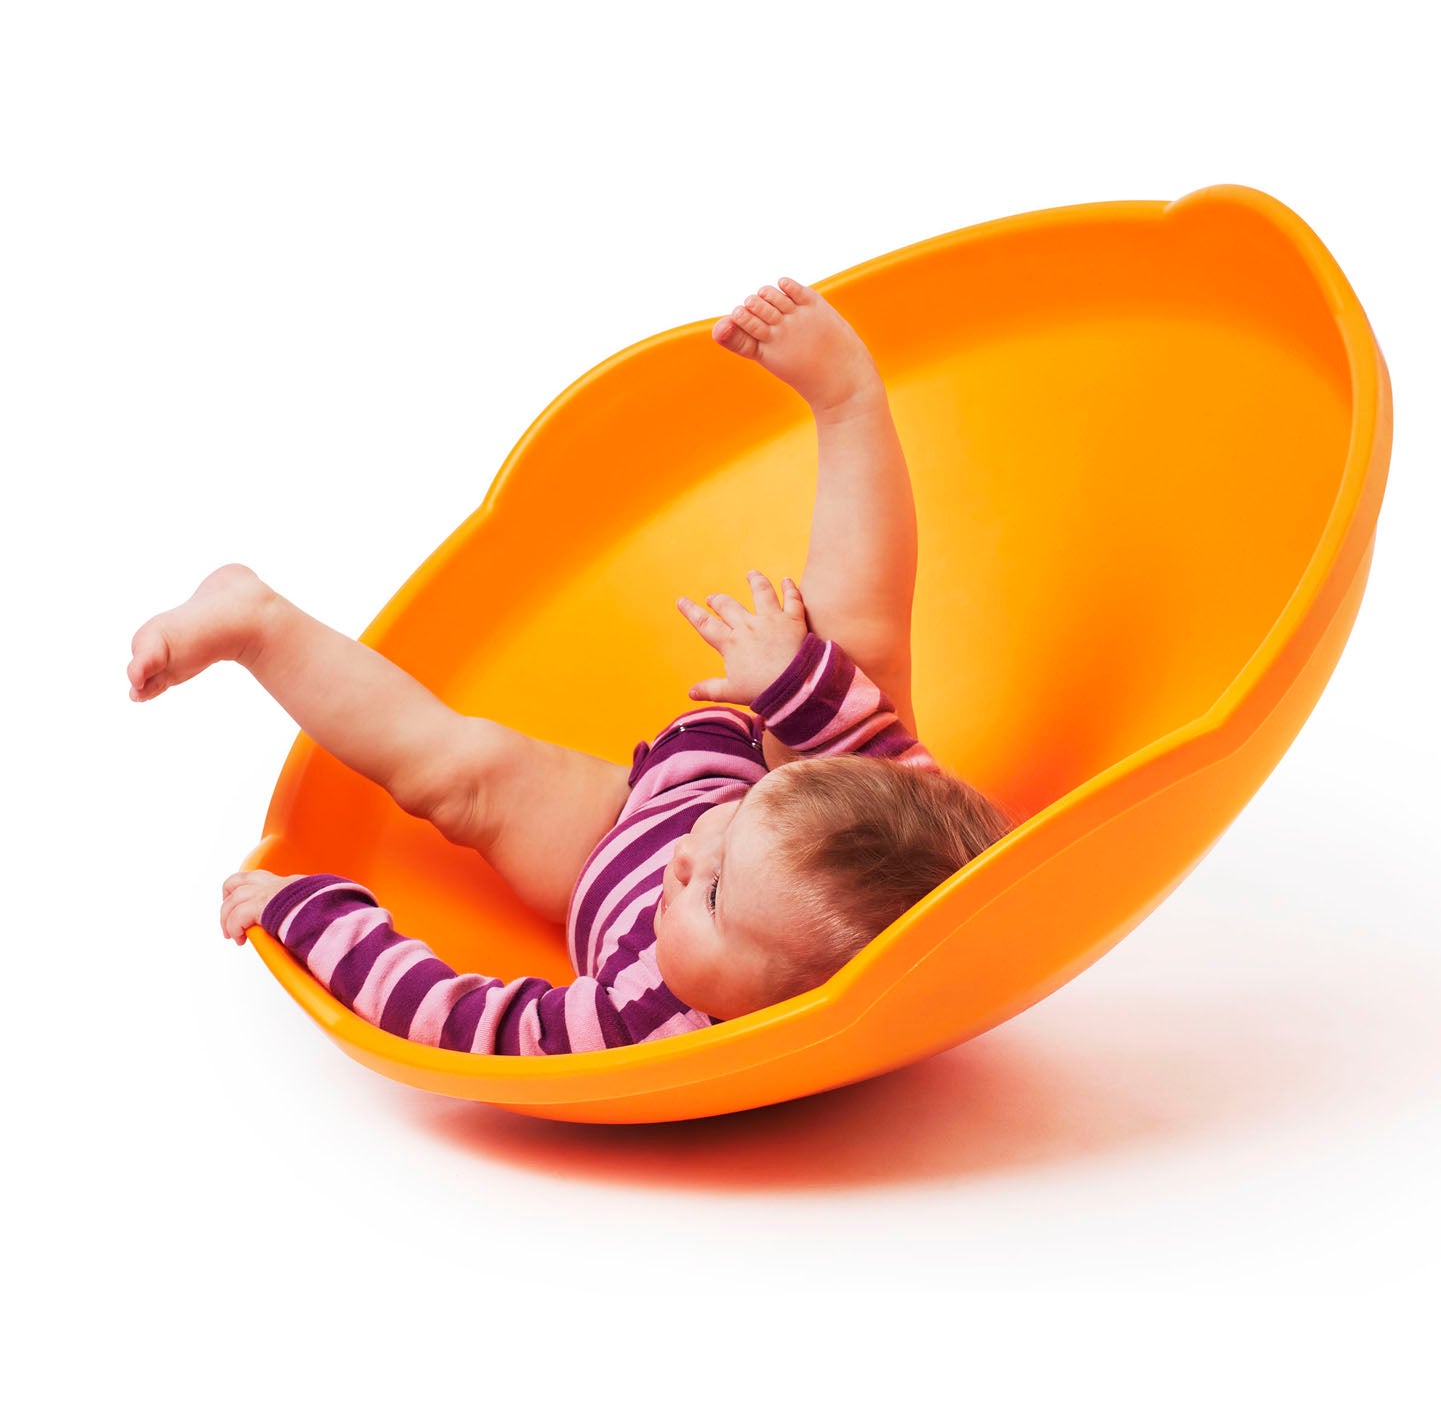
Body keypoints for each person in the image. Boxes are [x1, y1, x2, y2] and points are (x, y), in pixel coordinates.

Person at [126, 277, 1017, 1054]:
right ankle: (849, 400)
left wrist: (306, 913)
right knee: (859, 670)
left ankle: (257, 623)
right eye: (726, 839)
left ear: (777, 1010)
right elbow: (865, 759)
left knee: (459, 773)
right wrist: (789, 680)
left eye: (712, 897)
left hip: (599, 842)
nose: (686, 854)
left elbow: (458, 1018)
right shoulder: (901, 849)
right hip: (727, 767)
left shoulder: (638, 1024)